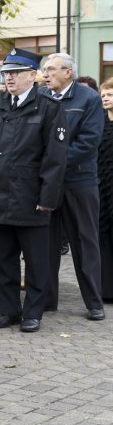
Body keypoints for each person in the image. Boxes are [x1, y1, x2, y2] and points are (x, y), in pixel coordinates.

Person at [0, 49, 68, 332]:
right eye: (6, 73)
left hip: (31, 199)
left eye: (15, 73)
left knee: (37, 262)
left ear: (32, 76)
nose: (9, 77)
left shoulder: (49, 108)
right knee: (3, 260)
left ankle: (33, 312)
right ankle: (9, 310)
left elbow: (55, 158)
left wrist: (48, 197)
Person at [42, 53, 107, 321]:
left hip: (79, 182)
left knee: (84, 242)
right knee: (45, 243)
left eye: (51, 70)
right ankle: (47, 300)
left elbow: (89, 142)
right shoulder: (42, 97)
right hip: (47, 184)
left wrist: (52, 165)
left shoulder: (88, 98)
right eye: (44, 70)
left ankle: (94, 302)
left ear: (68, 72)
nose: (45, 74)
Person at [98, 78, 113, 302]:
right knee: (103, 234)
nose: (105, 98)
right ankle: (107, 289)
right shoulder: (99, 122)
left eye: (109, 94)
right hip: (102, 184)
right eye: (103, 94)